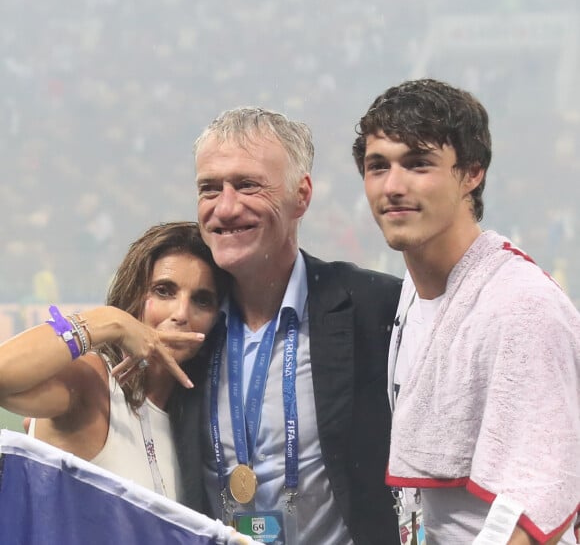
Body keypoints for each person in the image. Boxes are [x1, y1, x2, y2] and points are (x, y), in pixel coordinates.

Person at [352, 78, 580, 544]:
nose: (393, 186)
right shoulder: (412, 297)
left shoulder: (522, 306)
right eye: (378, 166)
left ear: (471, 173)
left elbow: (536, 500)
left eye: (419, 164)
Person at [170, 108, 402, 544]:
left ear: (301, 195)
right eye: (209, 189)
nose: (226, 207)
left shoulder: (374, 308)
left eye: (247, 185)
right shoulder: (185, 327)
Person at [0, 221, 228, 500]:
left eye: (202, 300)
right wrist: (110, 321)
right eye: (164, 291)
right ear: (132, 293)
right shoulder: (91, 381)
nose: (181, 313)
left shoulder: (196, 418)